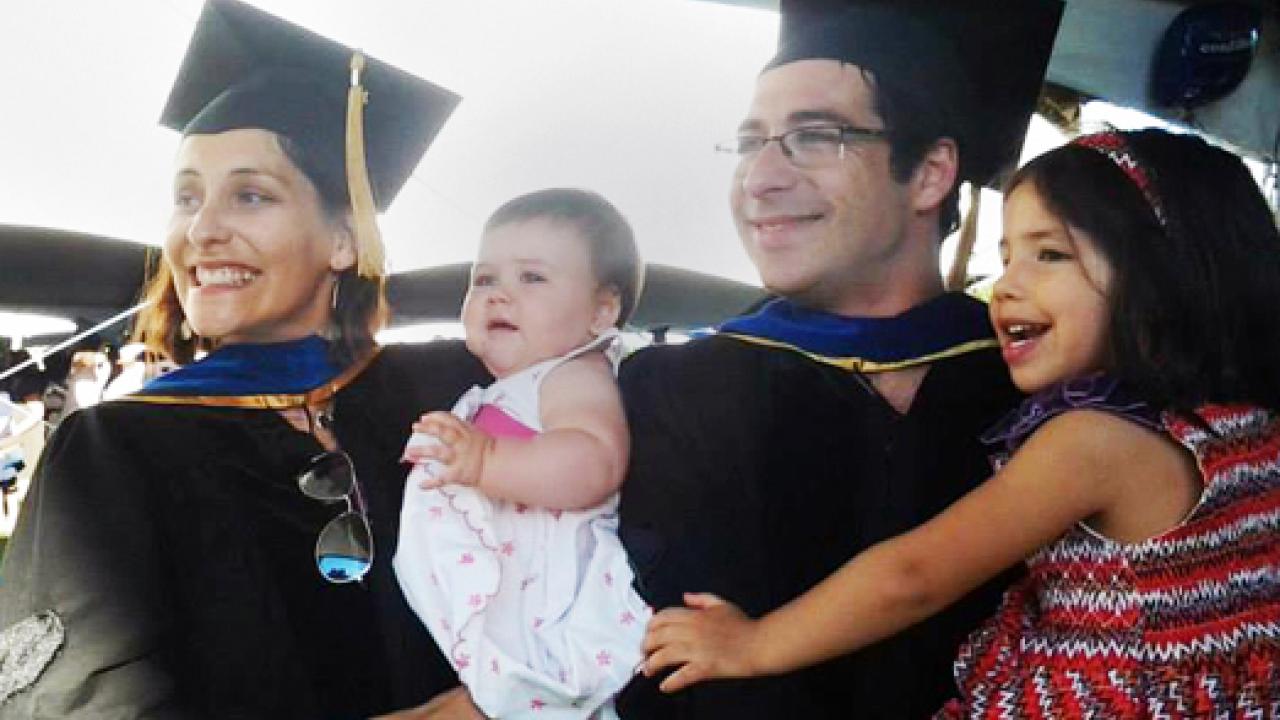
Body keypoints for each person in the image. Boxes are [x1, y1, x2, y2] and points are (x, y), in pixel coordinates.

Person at [641, 128, 1280, 716]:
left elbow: (912, 577)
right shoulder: (1247, 428)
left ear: (1165, 274)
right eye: (1006, 258)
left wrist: (753, 645)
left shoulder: (1093, 443)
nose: (1004, 287)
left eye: (1049, 255)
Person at [0, 1, 489, 717]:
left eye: (250, 195)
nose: (203, 230)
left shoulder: (451, 387)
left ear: (344, 240)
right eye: (186, 197)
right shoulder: (114, 453)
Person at [615, 1, 1063, 717]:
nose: (759, 178)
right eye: (750, 142)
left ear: (929, 173)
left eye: (814, 137)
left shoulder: (1045, 394)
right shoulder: (666, 393)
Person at [395, 188, 651, 718]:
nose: (499, 295)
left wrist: (486, 461)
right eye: (484, 279)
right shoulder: (509, 386)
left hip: (547, 597)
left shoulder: (574, 373)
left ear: (602, 311)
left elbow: (594, 462)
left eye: (531, 277)